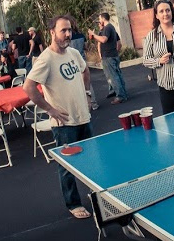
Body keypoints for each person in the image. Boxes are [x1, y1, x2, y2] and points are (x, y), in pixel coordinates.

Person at [22, 16, 94, 220]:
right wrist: (50, 110)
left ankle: (96, 195)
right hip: (64, 124)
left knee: (91, 161)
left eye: (69, 30)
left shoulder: (73, 53)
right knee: (67, 167)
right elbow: (28, 87)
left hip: (84, 117)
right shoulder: (46, 59)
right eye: (63, 30)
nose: (68, 34)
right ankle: (73, 203)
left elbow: (85, 70)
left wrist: (87, 94)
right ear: (52, 32)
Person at [89, 13, 128, 104]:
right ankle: (122, 93)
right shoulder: (111, 28)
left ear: (103, 19)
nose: (99, 21)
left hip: (108, 56)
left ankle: (120, 96)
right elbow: (118, 43)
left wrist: (93, 34)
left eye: (100, 19)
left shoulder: (107, 28)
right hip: (113, 55)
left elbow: (103, 40)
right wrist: (115, 51)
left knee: (113, 76)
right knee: (117, 75)